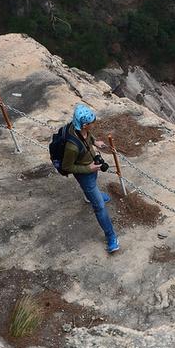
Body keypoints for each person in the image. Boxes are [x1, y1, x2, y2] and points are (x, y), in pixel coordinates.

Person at [61, 103, 121, 254]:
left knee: (93, 189)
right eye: (92, 122)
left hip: (91, 166)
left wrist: (95, 142)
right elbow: (67, 167)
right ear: (85, 124)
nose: (94, 123)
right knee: (100, 206)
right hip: (85, 174)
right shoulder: (72, 147)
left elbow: (87, 138)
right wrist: (88, 169)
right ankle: (111, 237)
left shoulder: (80, 129)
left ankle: (91, 196)